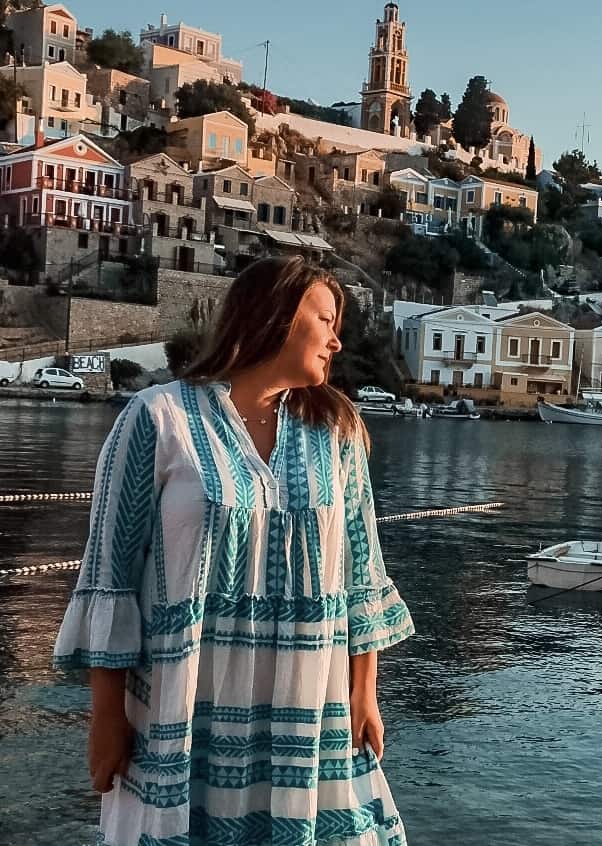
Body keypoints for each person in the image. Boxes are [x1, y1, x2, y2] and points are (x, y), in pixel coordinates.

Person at [53, 256, 414, 845]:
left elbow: (362, 571)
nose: (336, 338)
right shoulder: (158, 418)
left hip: (309, 702)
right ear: (277, 313)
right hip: (182, 700)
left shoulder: (337, 432)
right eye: (325, 318)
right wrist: (106, 715)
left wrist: (364, 690)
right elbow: (110, 575)